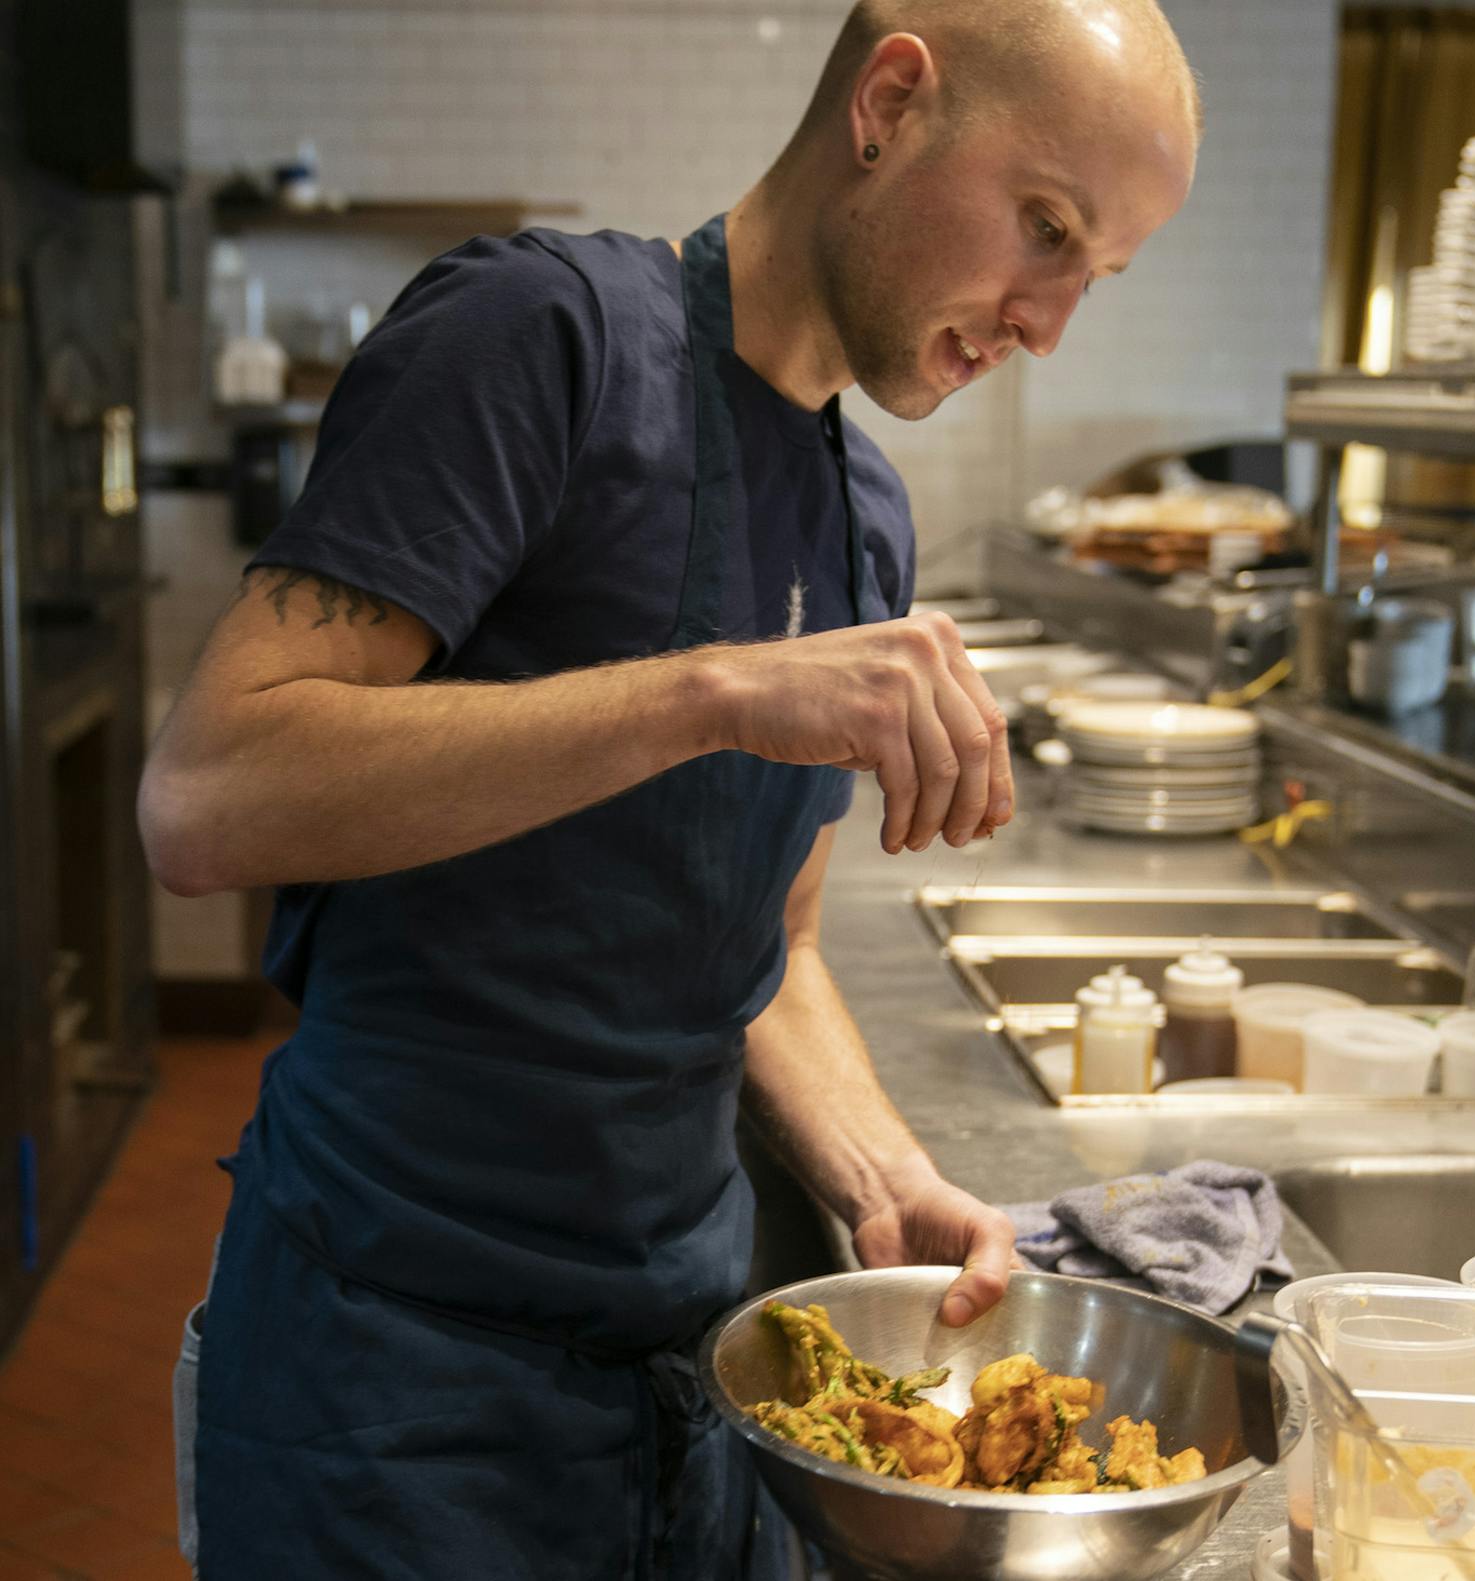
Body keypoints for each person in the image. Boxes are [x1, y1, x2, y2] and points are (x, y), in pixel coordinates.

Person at [137, 0, 1200, 1573]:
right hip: (395, 1393)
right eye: (1043, 226)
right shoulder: (540, 340)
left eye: (1091, 274)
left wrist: (887, 1178)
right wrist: (714, 692)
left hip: (682, 1392)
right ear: (889, 103)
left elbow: (772, 948)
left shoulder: (864, 518)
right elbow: (204, 795)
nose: (1046, 322)